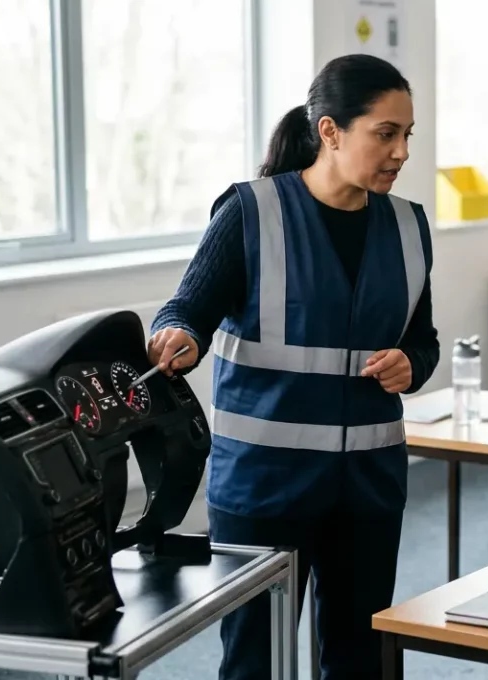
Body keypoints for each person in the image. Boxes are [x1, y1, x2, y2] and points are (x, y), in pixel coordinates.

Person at [148, 55, 436, 679]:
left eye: (407, 134)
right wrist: (176, 335)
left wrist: (411, 363)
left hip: (368, 486)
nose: (401, 152)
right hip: (265, 487)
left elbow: (425, 341)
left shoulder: (410, 227)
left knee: (363, 659)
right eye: (385, 134)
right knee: (257, 659)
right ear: (330, 131)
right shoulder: (250, 213)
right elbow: (185, 308)